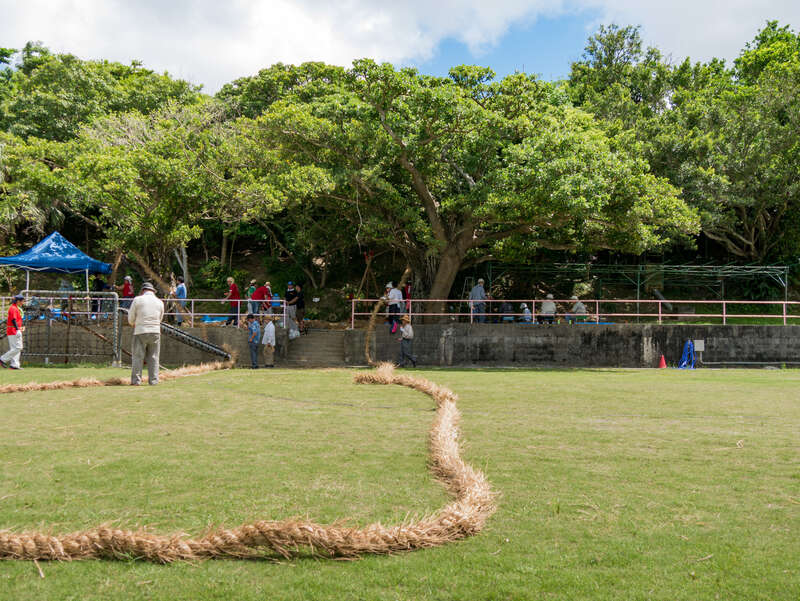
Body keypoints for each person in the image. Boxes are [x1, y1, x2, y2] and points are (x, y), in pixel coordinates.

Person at [128, 282, 164, 386]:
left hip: (140, 330)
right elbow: (160, 319)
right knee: (154, 357)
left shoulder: (137, 300)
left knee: (138, 357)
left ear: (143, 290)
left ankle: (136, 381)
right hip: (155, 331)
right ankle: (153, 381)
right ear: (153, 291)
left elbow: (130, 318)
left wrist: (134, 323)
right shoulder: (160, 302)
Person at [1, 294, 26, 370]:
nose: (23, 302)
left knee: (15, 348)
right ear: (18, 301)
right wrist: (17, 329)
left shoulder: (16, 308)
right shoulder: (13, 308)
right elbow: (13, 319)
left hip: (15, 329)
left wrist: (19, 328)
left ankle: (14, 365)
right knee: (18, 347)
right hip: (13, 330)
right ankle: (2, 359)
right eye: (22, 301)